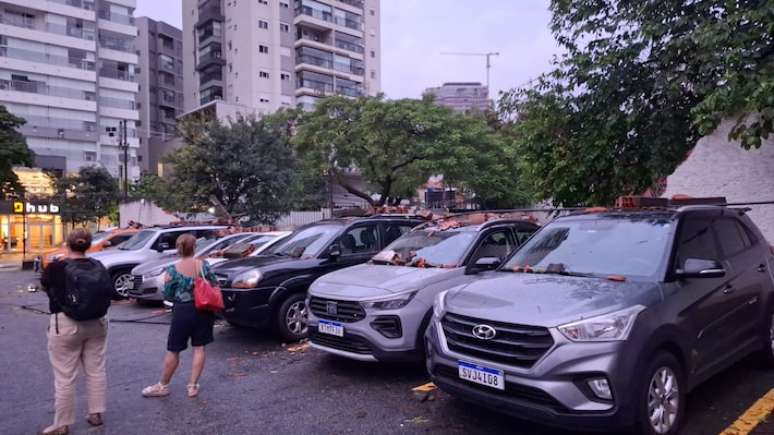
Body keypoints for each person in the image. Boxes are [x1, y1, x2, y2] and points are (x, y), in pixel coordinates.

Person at [39, 228, 113, 435]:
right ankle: (96, 413)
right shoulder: (98, 266)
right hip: (97, 323)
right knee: (96, 370)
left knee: (65, 376)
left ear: (67, 244)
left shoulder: (55, 268)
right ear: (88, 245)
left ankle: (62, 424)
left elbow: (46, 287)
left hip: (65, 324)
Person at [142, 234, 218, 398]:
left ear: (178, 249)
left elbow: (168, 294)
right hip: (204, 309)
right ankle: (192, 386)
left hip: (182, 311)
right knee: (199, 347)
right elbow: (214, 283)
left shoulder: (172, 270)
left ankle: (163, 385)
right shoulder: (203, 265)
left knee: (174, 349)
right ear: (194, 247)